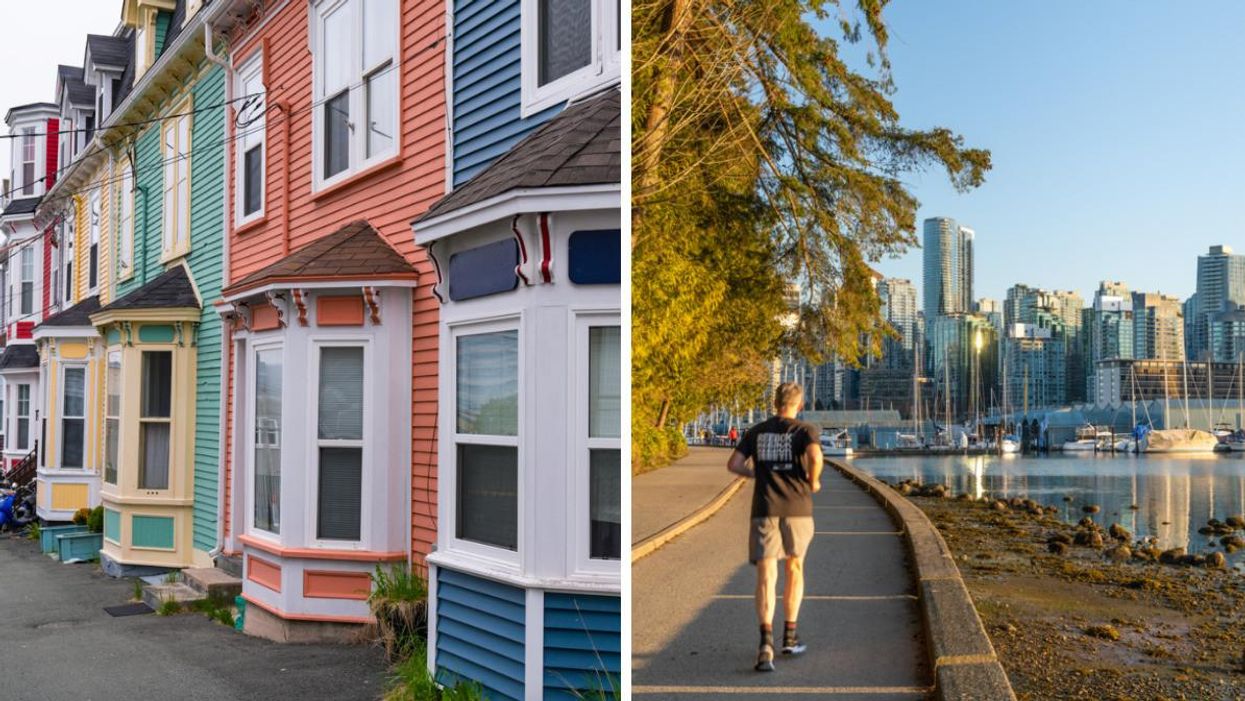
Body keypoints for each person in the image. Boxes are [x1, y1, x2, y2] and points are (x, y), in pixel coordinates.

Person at [727, 382, 823, 672]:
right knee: (795, 568)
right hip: (797, 508)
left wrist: (756, 473)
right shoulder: (805, 431)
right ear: (800, 404)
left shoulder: (756, 431)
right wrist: (813, 480)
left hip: (765, 508)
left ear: (775, 404)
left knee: (766, 574)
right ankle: (790, 637)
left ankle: (765, 644)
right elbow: (816, 457)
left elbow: (734, 463)